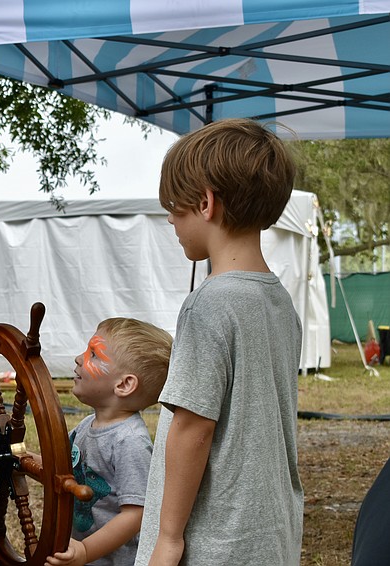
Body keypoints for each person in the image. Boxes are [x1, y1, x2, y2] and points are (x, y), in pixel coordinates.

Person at [134, 118, 303, 566]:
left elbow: (193, 428)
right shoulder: (278, 301)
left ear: (205, 203)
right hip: (270, 533)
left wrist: (168, 539)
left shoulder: (208, 305)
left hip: (213, 542)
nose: (170, 218)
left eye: (175, 206)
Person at [46, 317, 172, 566]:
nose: (79, 359)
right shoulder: (86, 425)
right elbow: (65, 471)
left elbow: (136, 514)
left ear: (124, 384)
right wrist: (22, 457)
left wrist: (85, 551)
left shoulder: (130, 442)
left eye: (93, 354)